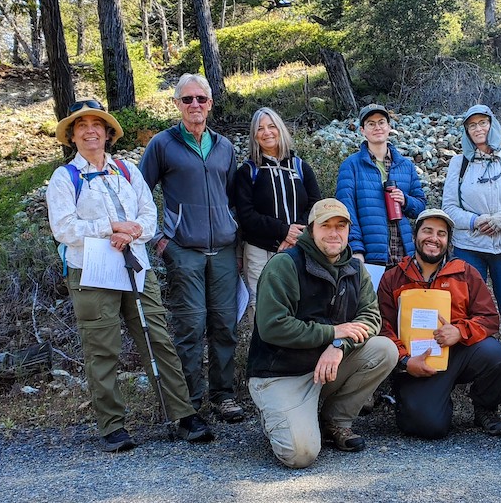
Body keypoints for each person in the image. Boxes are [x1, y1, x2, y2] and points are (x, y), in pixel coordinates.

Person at [47, 100, 213, 451]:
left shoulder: (127, 170)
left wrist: (131, 231)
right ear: (72, 136)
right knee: (102, 348)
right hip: (90, 270)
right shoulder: (65, 178)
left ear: (108, 134)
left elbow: (148, 214)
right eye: (81, 126)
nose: (90, 130)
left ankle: (182, 415)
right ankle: (113, 427)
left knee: (157, 339)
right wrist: (111, 228)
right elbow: (63, 229)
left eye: (97, 124)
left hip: (136, 267)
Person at [246, 198, 398, 468]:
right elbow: (272, 326)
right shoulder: (285, 265)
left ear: (349, 230)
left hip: (326, 366)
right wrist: (331, 332)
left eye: (341, 225)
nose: (334, 232)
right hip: (281, 372)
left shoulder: (355, 268)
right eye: (325, 225)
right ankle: (280, 414)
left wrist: (338, 344)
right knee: (300, 455)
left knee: (384, 349)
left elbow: (371, 317)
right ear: (310, 230)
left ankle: (335, 422)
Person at [139, 74, 243, 422]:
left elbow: (233, 197)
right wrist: (158, 239)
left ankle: (224, 396)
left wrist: (237, 236)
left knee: (225, 325)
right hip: (183, 249)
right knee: (190, 326)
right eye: (187, 100)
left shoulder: (224, 146)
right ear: (177, 105)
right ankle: (191, 401)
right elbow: (139, 194)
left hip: (225, 250)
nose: (195, 105)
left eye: (201, 99)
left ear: (210, 103)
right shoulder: (163, 144)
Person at [377, 209, 501, 439]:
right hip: (416, 361)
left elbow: (489, 319)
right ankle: (431, 402)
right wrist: (406, 362)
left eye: (441, 234)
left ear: (448, 241)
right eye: (427, 231)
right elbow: (383, 328)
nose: (434, 238)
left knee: (495, 353)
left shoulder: (465, 273)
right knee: (428, 427)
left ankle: (484, 408)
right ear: (415, 236)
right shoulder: (393, 278)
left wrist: (460, 331)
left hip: (459, 354)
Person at [441, 105, 501, 397]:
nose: (478, 129)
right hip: (471, 247)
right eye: (472, 126)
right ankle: (469, 366)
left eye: (483, 123)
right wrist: (476, 221)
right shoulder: (459, 164)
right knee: (468, 308)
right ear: (466, 131)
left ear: (493, 125)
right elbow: (449, 209)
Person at [234, 107, 321, 323]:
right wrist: (283, 231)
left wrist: (295, 235)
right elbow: (246, 215)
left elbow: (315, 206)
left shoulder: (300, 167)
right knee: (262, 307)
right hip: (259, 252)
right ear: (254, 135)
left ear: (280, 129)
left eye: (272, 126)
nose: (267, 132)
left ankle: (295, 356)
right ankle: (261, 356)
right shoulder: (248, 172)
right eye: (260, 128)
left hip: (299, 250)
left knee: (298, 304)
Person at [336, 104, 426, 267]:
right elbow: (346, 212)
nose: (377, 127)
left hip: (404, 255)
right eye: (371, 123)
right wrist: (356, 249)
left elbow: (421, 207)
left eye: (381, 122)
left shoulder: (406, 165)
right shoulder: (350, 166)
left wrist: (405, 201)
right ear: (362, 130)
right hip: (370, 256)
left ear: (389, 127)